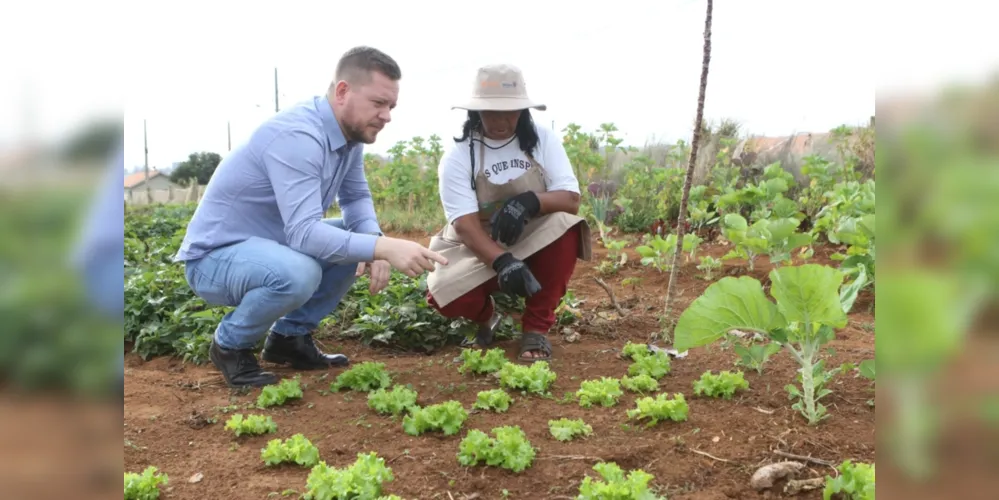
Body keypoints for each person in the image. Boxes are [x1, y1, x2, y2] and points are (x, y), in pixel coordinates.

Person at [174, 46, 447, 388]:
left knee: (358, 238)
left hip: (271, 247)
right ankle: (229, 346)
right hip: (214, 259)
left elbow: (356, 197)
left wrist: (374, 242)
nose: (387, 115)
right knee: (300, 271)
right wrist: (382, 247)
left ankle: (289, 339)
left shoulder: (349, 137)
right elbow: (304, 234)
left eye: (391, 106)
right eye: (378, 103)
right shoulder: (299, 136)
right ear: (343, 91)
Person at [425, 64, 592, 363]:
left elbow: (570, 200)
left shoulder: (542, 140)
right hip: (477, 241)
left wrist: (528, 203)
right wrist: (502, 261)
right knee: (443, 296)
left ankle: (535, 329)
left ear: (523, 112)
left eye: (510, 112)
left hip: (533, 233)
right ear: (476, 112)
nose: (501, 121)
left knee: (567, 227)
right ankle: (488, 316)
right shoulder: (459, 154)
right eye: (491, 112)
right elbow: (464, 225)